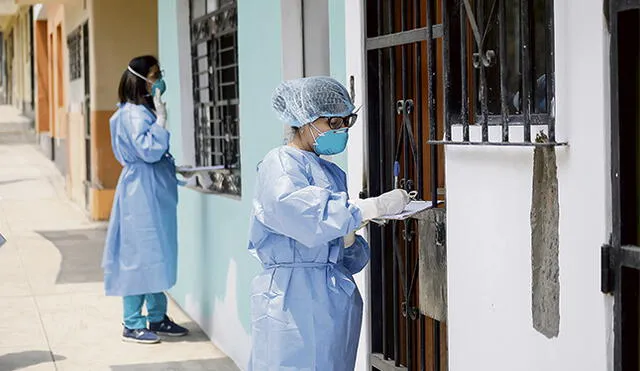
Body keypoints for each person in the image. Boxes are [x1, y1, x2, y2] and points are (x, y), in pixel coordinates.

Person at [248, 76, 410, 370]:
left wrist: (348, 239)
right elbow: (296, 210)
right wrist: (368, 208)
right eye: (333, 123)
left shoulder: (332, 173)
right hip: (291, 300)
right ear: (304, 119)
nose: (342, 130)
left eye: (347, 121)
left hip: (334, 298)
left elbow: (347, 255)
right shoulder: (280, 163)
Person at [102, 55, 188, 344]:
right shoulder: (131, 115)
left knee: (157, 253)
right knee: (138, 255)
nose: (158, 78)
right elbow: (149, 151)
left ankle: (157, 317)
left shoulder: (142, 111)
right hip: (140, 192)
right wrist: (162, 120)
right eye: (154, 74)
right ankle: (132, 322)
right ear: (140, 79)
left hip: (154, 189)